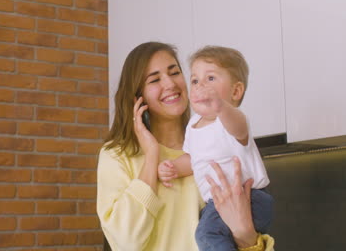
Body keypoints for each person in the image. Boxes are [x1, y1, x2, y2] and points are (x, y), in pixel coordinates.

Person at [96, 41, 275, 251]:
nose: (170, 84)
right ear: (138, 96)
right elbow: (126, 242)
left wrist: (245, 235)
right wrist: (152, 155)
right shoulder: (117, 155)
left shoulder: (217, 144)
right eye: (155, 79)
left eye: (175, 73)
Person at [157, 46, 274, 251]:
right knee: (210, 234)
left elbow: (239, 126)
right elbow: (193, 160)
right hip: (219, 203)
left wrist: (221, 106)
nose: (200, 85)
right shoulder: (193, 126)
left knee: (206, 234)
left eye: (210, 79)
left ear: (235, 91)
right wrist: (173, 167)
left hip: (251, 198)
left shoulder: (230, 120)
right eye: (195, 80)